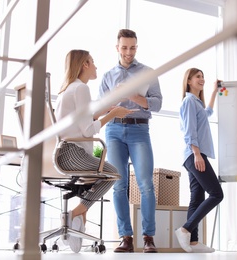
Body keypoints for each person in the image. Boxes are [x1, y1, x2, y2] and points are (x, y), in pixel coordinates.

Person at [55, 49, 135, 253]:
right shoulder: (81, 89)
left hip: (63, 153)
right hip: (73, 154)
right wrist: (114, 114)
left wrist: (104, 111)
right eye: (93, 62)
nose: (96, 66)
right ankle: (76, 212)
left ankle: (80, 215)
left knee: (103, 175)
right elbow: (89, 130)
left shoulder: (67, 89)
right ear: (84, 65)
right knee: (114, 173)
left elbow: (82, 122)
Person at [98, 29, 162, 253]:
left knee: (146, 184)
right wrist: (114, 100)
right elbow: (100, 109)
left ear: (137, 47)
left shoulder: (147, 73)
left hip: (139, 130)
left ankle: (148, 238)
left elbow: (157, 103)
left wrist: (133, 96)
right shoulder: (107, 76)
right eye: (124, 47)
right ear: (117, 48)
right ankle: (125, 237)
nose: (128, 52)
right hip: (114, 130)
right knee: (119, 185)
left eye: (132, 47)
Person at [175, 68, 224, 253]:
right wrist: (196, 154)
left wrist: (213, 92)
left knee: (196, 198)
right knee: (216, 194)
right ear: (188, 80)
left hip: (193, 154)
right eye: (198, 76)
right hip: (194, 154)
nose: (201, 79)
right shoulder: (188, 101)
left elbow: (208, 113)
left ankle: (193, 242)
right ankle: (186, 229)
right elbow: (189, 131)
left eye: (203, 76)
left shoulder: (196, 103)